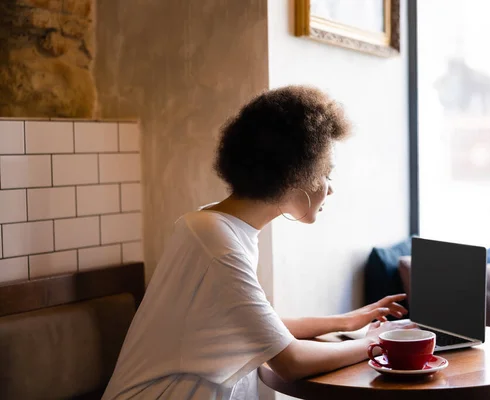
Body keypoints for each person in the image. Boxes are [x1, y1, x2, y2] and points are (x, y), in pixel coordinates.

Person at [102, 86, 415, 400]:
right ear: (295, 174)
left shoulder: (215, 227)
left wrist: (346, 320)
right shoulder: (217, 243)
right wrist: (382, 343)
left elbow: (258, 325)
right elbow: (291, 362)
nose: (330, 190)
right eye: (327, 174)